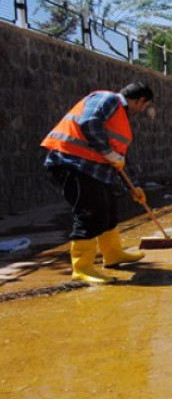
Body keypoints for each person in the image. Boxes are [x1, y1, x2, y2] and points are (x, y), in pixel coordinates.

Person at [41, 82, 154, 283]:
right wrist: (109, 153)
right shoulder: (108, 99)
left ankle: (113, 254)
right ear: (140, 101)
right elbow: (89, 123)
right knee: (89, 214)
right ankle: (82, 268)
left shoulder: (119, 118)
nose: (142, 110)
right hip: (72, 164)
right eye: (145, 106)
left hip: (92, 170)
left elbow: (119, 160)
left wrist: (133, 187)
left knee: (108, 210)